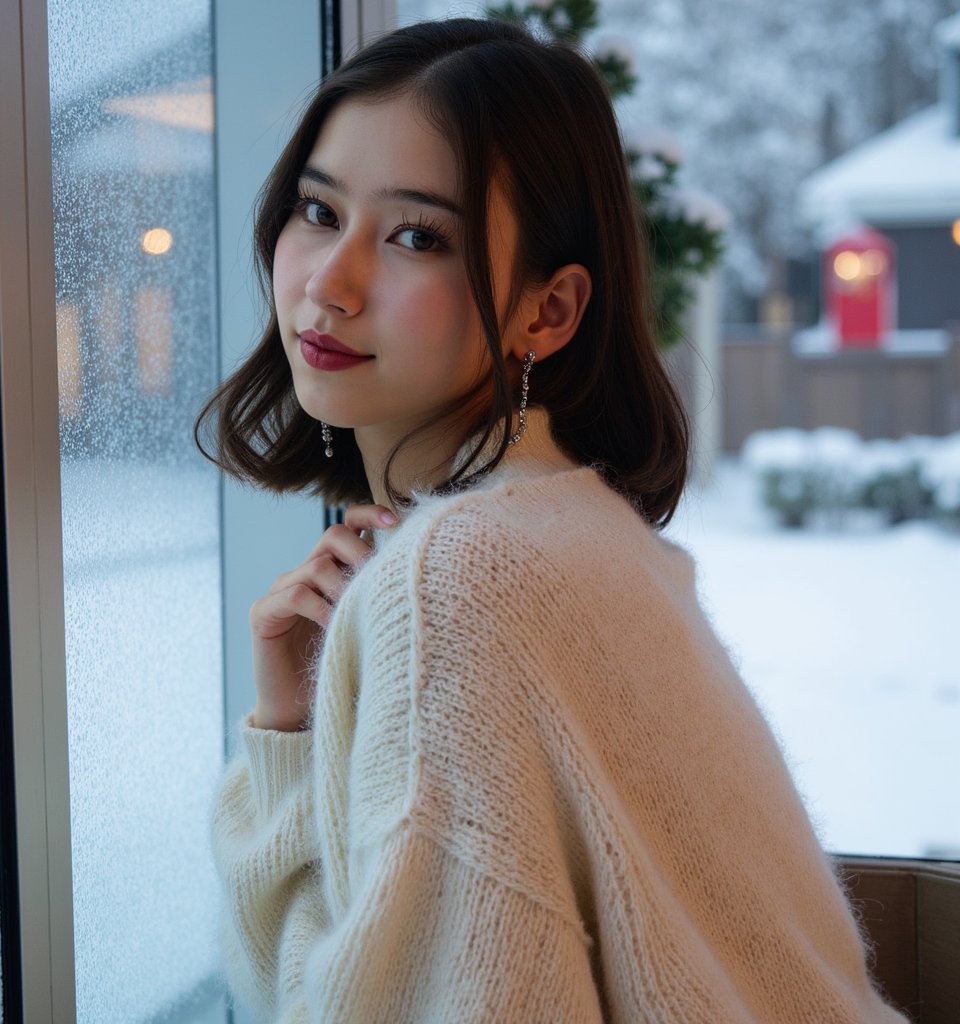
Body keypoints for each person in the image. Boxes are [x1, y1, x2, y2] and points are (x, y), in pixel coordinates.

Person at [197, 17, 906, 1024]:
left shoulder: (461, 575)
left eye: (416, 236)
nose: (328, 282)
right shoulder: (583, 533)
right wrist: (298, 729)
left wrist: (291, 747)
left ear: (550, 311)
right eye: (319, 210)